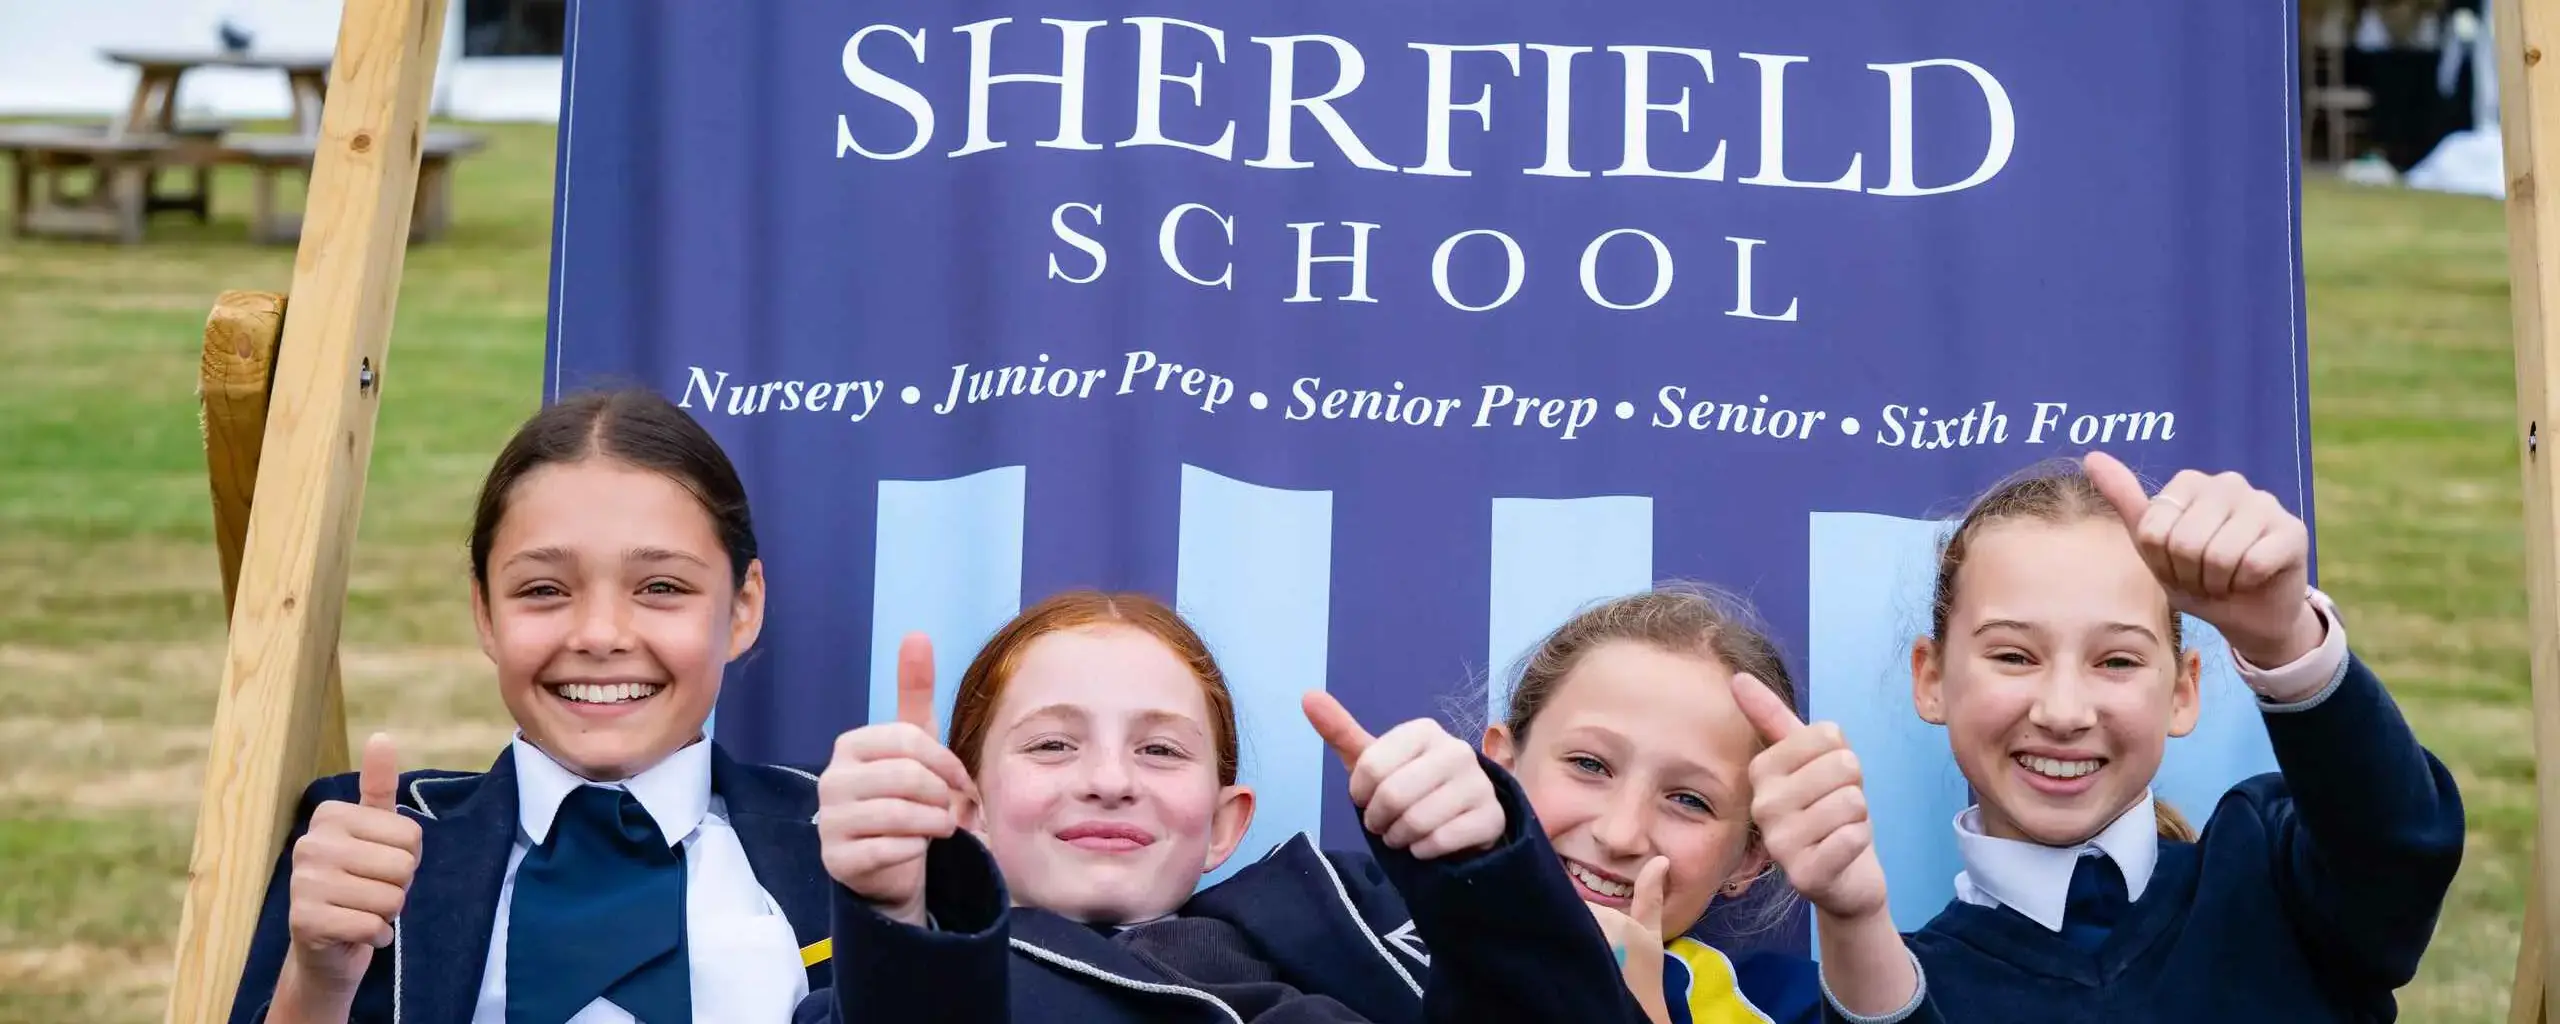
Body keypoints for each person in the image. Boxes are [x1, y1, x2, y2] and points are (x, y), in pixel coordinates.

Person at [228, 389, 837, 1024]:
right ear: (485, 612)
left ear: (742, 607)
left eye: (661, 587)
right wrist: (319, 985)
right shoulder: (367, 849)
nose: (600, 635)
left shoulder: (842, 843)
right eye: (544, 590)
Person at [799, 590, 1656, 1023]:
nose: (1108, 778)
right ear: (969, 806)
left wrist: (1483, 873)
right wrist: (899, 918)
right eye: (1053, 744)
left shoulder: (1371, 932)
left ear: (1223, 824)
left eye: (1161, 749)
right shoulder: (861, 992)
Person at [1902, 453, 2464, 1021]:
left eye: (2117, 661)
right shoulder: (1900, 995)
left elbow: (2399, 851)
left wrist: (2287, 641)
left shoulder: (2277, 875)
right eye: (2015, 656)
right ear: (1931, 679)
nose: (2063, 712)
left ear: (2182, 691)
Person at [1478, 587, 1935, 1024]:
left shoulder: (1780, 1007)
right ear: (1503, 768)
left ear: (1750, 858)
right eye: (1590, 765)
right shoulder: (1406, 943)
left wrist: (1855, 915)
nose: (1619, 834)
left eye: (1688, 800)